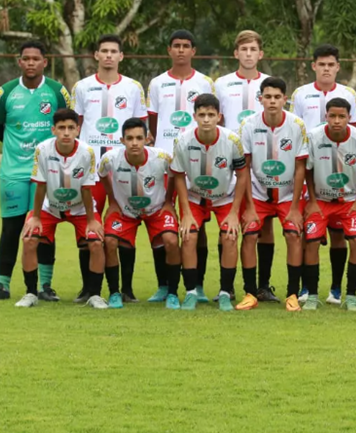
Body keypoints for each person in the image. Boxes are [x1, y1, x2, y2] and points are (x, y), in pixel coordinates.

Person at [0, 41, 71, 301]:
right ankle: (3, 285)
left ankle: (45, 286)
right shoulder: (6, 92)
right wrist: (19, 148)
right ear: (19, 61)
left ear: (45, 62)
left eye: (36, 58)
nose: (31, 63)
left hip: (47, 173)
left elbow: (68, 122)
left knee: (43, 228)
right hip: (14, 172)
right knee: (12, 228)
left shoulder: (57, 91)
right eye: (26, 58)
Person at [71, 34, 148, 303]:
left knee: (123, 226)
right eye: (103, 51)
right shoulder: (81, 87)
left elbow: (140, 125)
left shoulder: (133, 87)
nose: (108, 55)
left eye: (113, 51)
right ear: (96, 55)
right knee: (87, 226)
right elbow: (76, 124)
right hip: (91, 169)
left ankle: (125, 289)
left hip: (122, 166)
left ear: (121, 56)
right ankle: (88, 287)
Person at [290, 43, 356, 303]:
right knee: (307, 236)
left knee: (339, 237)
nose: (326, 68)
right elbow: (296, 129)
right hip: (315, 175)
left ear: (338, 67)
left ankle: (335, 289)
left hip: (344, 181)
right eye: (321, 64)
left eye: (331, 64)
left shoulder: (349, 94)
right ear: (314, 66)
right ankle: (307, 289)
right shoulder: (300, 93)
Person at [147, 30, 215, 304]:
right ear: (169, 50)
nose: (181, 50)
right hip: (164, 163)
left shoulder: (205, 81)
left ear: (193, 51)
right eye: (176, 46)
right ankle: (164, 285)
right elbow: (153, 121)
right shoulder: (157, 83)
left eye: (186, 46)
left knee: (198, 226)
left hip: (197, 163)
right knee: (161, 222)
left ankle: (196, 285)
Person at [15, 109, 105, 309]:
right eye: (62, 128)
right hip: (50, 207)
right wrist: (35, 217)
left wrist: (92, 220)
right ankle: (30, 293)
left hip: (81, 208)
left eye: (71, 128)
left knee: (97, 243)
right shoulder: (42, 149)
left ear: (78, 130)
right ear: (53, 129)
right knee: (29, 239)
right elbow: (40, 186)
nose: (66, 133)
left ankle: (95, 295)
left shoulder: (87, 152)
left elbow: (87, 189)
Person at [214, 30, 277, 303]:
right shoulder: (221, 84)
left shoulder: (270, 84)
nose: (249, 54)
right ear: (236, 53)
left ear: (260, 54)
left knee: (264, 226)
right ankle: (226, 287)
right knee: (228, 225)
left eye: (253, 49)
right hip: (231, 164)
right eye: (244, 49)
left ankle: (262, 286)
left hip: (264, 161)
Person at [170, 94, 249, 311]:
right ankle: (191, 292)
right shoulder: (183, 141)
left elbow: (242, 175)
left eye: (211, 115)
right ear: (194, 116)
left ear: (219, 117)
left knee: (231, 236)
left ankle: (225, 292)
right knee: (188, 236)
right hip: (195, 196)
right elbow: (178, 175)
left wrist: (234, 212)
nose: (206, 119)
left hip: (225, 197)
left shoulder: (232, 140)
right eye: (202, 115)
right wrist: (185, 212)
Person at [238, 77, 309, 312]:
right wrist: (248, 206)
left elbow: (300, 168)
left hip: (287, 196)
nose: (272, 101)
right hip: (258, 195)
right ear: (260, 99)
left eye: (277, 97)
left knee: (293, 235)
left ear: (285, 100)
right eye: (267, 97)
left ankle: (292, 294)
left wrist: (296, 207)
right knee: (249, 234)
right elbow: (244, 167)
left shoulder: (297, 125)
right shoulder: (248, 124)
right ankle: (250, 293)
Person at [98, 118, 179, 309]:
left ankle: (172, 293)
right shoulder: (110, 158)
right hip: (125, 211)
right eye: (130, 138)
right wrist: (112, 201)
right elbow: (102, 175)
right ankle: (115, 293)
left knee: (171, 241)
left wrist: (169, 201)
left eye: (139, 138)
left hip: (156, 209)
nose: (134, 143)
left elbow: (176, 174)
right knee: (109, 242)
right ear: (121, 140)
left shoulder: (162, 157)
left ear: (147, 139)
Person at [303, 98, 356, 311]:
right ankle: (312, 295)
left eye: (341, 116)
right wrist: (312, 201)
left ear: (349, 118)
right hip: (320, 201)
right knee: (312, 242)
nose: (336, 121)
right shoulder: (314, 136)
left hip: (349, 201)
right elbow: (307, 169)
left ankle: (349, 295)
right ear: (326, 116)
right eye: (332, 116)